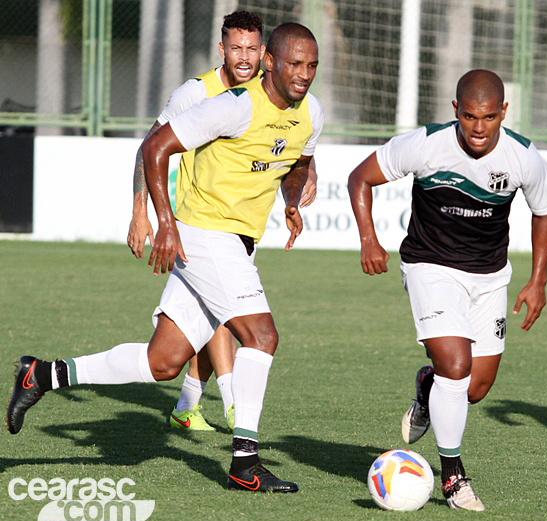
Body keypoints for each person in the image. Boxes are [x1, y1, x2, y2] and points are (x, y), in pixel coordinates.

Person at [6, 22, 324, 493]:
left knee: (163, 362)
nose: (304, 74)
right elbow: (155, 146)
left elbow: (298, 161)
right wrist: (165, 223)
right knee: (262, 336)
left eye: (312, 65)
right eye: (295, 63)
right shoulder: (232, 105)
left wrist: (292, 199)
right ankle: (245, 463)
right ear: (271, 62)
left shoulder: (311, 112)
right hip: (206, 234)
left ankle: (44, 375)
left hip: (234, 241)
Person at [348, 69, 547, 511]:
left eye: (489, 117)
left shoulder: (524, 157)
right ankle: (453, 477)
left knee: (474, 388)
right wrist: (368, 239)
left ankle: (428, 385)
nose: (479, 128)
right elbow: (359, 178)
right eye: (469, 116)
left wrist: (538, 279)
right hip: (430, 266)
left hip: (490, 277)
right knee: (457, 367)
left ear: (504, 112)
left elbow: (544, 212)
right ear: (455, 110)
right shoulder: (425, 144)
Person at [126, 11, 318, 433]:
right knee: (248, 327)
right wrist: (144, 213)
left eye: (251, 48)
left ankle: (184, 404)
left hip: (241, 230)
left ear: (264, 54)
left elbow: (295, 149)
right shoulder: (198, 94)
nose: (244, 57)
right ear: (222, 50)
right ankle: (236, 414)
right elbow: (150, 146)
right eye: (236, 48)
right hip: (201, 227)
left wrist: (297, 189)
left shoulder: (281, 96)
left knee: (168, 356)